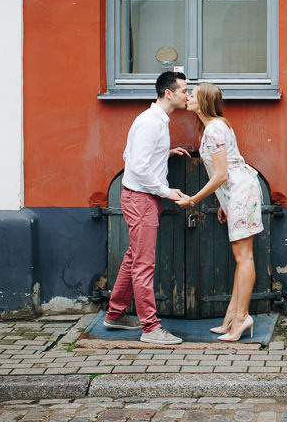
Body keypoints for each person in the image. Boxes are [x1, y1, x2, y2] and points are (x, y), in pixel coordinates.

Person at [103, 71, 191, 345]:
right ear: (169, 93)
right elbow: (137, 166)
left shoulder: (156, 121)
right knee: (143, 265)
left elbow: (133, 154)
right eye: (184, 90)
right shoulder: (150, 123)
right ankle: (151, 329)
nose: (187, 95)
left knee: (133, 259)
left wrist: (164, 152)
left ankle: (115, 315)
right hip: (141, 200)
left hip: (142, 198)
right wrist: (166, 191)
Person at [176, 82, 264, 342]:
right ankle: (232, 317)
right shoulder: (215, 126)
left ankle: (242, 317)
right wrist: (223, 204)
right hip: (237, 194)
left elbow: (222, 174)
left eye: (193, 95)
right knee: (241, 257)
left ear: (203, 102)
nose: (188, 97)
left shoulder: (214, 129)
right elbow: (225, 172)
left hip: (240, 193)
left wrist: (193, 199)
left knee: (244, 257)